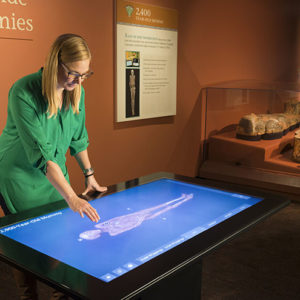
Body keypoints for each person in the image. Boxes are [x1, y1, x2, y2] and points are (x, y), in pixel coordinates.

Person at [0, 33, 107, 299]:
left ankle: (64, 293)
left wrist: (89, 176)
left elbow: (78, 138)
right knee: (28, 242)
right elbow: (42, 156)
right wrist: (72, 196)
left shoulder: (76, 91)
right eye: (73, 73)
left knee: (68, 237)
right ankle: (28, 295)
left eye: (85, 74)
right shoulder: (23, 91)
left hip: (55, 174)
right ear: (56, 63)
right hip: (19, 178)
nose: (79, 81)